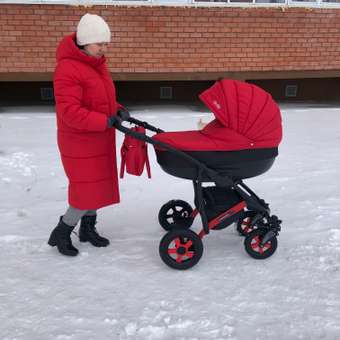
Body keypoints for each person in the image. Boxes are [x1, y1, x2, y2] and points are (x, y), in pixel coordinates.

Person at [48, 13, 124, 256]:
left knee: (95, 186)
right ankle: (62, 231)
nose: (104, 48)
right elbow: (70, 112)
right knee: (84, 192)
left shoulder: (97, 65)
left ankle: (87, 229)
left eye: (106, 43)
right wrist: (105, 121)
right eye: (99, 43)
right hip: (79, 141)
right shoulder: (68, 69)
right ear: (84, 42)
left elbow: (100, 101)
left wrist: (118, 111)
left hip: (97, 137)